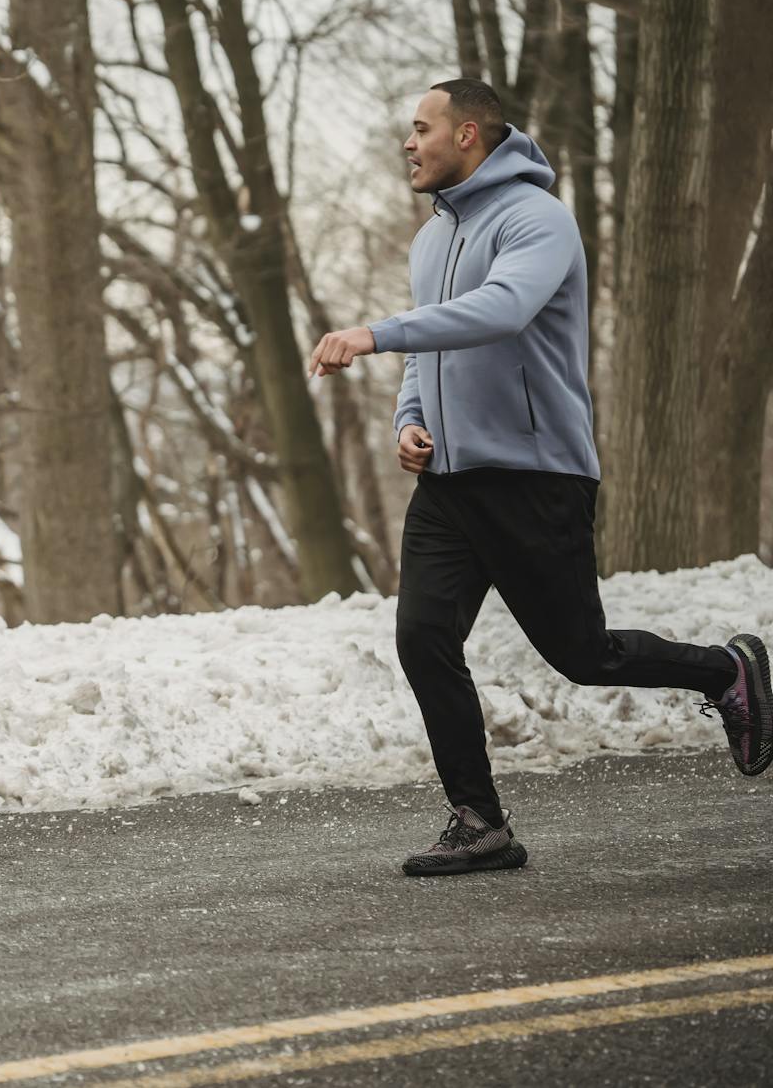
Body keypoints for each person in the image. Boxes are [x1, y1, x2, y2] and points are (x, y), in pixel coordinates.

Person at [308, 78, 771, 877]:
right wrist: (408, 422)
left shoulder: (538, 220)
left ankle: (727, 669)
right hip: (449, 488)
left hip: (534, 477)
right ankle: (478, 819)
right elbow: (433, 352)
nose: (408, 144)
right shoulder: (431, 239)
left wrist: (373, 333)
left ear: (470, 135)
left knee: (584, 655)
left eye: (421, 128)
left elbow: (499, 310)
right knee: (423, 638)